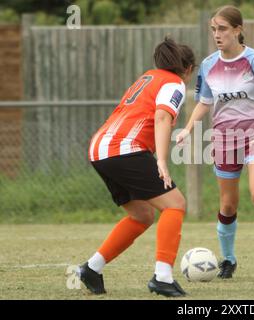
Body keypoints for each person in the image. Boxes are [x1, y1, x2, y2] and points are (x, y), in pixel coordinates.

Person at [176, 5, 254, 280]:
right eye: (214, 29)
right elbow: (204, 101)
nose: (217, 34)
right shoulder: (208, 64)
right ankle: (228, 260)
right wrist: (188, 128)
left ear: (238, 30)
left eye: (223, 29)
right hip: (224, 137)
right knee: (228, 205)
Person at [77, 37, 196, 297]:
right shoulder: (174, 83)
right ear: (188, 70)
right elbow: (162, 116)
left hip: (100, 148)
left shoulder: (149, 77)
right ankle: (162, 278)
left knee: (142, 215)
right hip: (123, 148)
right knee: (175, 205)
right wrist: (162, 160)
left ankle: (91, 269)